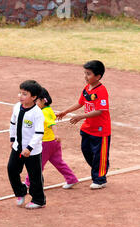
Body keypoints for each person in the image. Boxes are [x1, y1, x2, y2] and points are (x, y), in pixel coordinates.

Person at [57, 60, 110, 189]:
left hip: (100, 130)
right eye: (84, 73)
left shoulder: (101, 91)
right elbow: (80, 102)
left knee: (99, 155)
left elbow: (99, 111)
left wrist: (81, 116)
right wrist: (66, 111)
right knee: (86, 151)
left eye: (88, 74)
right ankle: (100, 169)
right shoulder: (87, 88)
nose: (85, 76)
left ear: (97, 76)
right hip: (88, 128)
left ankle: (100, 179)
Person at [25, 87, 79, 189]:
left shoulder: (43, 112)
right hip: (54, 143)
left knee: (37, 164)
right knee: (59, 162)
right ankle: (71, 179)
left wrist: (56, 134)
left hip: (46, 142)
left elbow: (51, 124)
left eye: (35, 100)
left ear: (41, 100)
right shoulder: (48, 110)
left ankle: (28, 182)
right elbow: (51, 119)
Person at [7, 80, 46, 209]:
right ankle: (20, 191)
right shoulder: (17, 107)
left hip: (32, 151)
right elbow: (13, 123)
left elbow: (39, 133)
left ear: (34, 97)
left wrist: (29, 148)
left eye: (24, 94)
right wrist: (12, 138)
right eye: (20, 93)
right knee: (12, 169)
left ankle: (39, 200)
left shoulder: (37, 113)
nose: (20, 96)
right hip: (18, 147)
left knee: (35, 176)